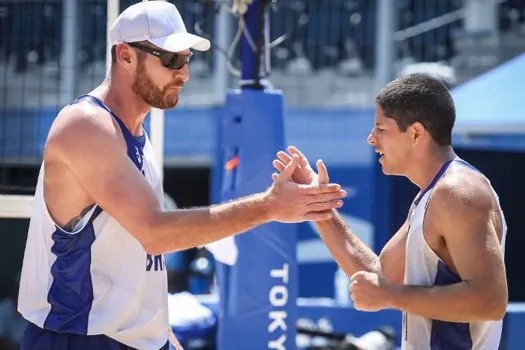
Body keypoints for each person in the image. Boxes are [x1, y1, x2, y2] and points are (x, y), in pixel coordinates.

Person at [16, 2, 347, 350]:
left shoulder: (135, 132)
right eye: (171, 59)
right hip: (78, 337)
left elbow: (139, 263)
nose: (184, 73)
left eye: (186, 59)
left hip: (130, 338)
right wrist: (269, 206)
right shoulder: (85, 126)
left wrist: (161, 336)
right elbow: (155, 233)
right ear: (126, 55)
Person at [272, 73, 508, 349]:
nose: (371, 138)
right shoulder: (431, 194)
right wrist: (318, 205)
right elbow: (381, 278)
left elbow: (490, 302)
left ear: (416, 133)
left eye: (381, 129)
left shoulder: (457, 192)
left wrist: (391, 296)